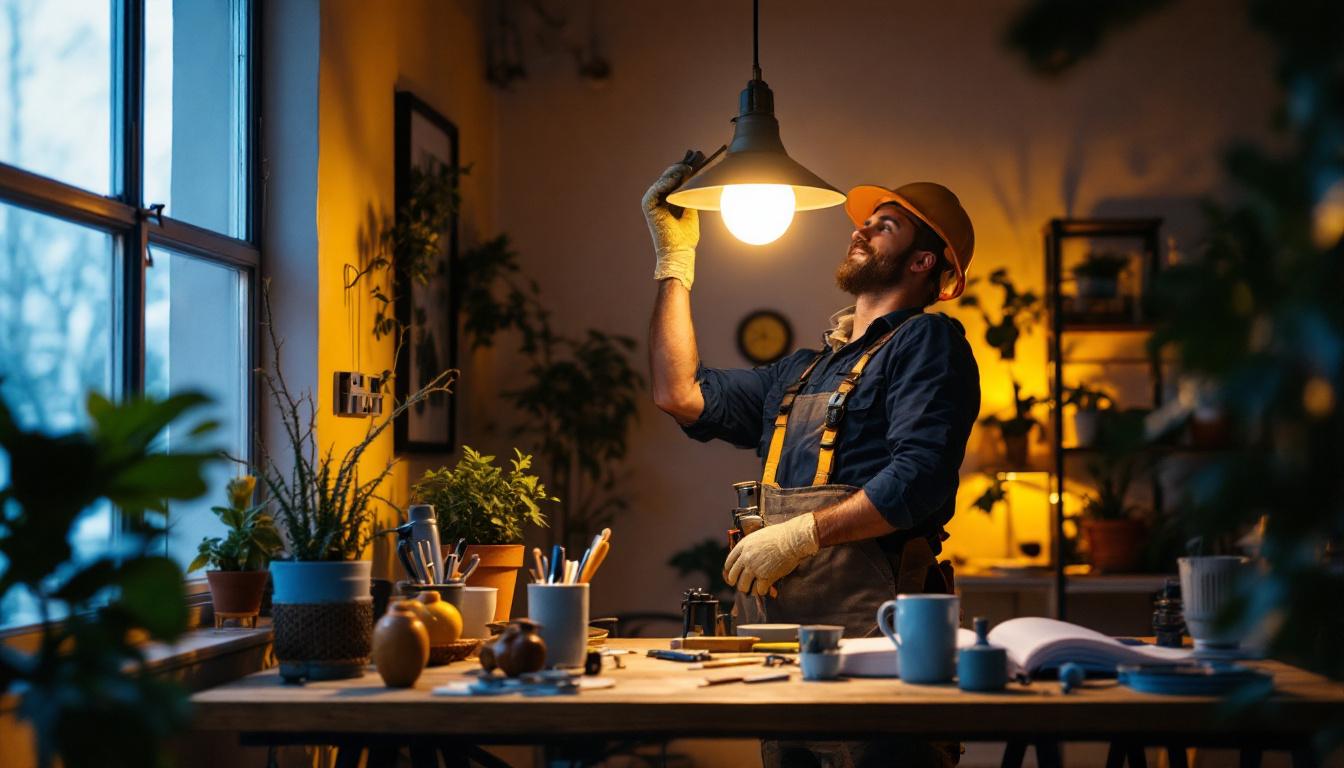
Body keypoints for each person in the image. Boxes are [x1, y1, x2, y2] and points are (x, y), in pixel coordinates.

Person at [645, 163, 981, 768]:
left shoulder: (927, 344)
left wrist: (804, 534)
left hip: (883, 657)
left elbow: (921, 480)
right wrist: (675, 263)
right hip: (784, 658)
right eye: (864, 223)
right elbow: (678, 392)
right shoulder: (800, 372)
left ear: (924, 261)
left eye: (885, 226)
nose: (859, 232)